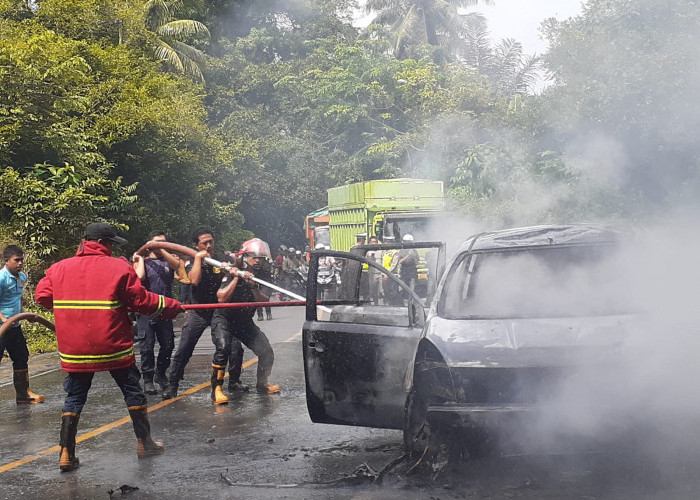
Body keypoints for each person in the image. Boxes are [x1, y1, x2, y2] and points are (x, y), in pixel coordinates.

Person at [35, 223, 182, 472]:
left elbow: (42, 297)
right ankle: (145, 443)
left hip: (76, 350)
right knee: (132, 391)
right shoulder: (118, 267)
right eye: (112, 244)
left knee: (74, 397)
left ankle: (66, 454)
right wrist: (171, 306)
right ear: (105, 244)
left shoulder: (58, 268)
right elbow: (141, 301)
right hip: (112, 346)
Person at [162, 228, 231, 401]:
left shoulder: (221, 259)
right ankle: (173, 385)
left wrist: (231, 267)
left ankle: (219, 388)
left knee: (225, 346)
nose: (209, 246)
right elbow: (194, 280)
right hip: (198, 311)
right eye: (204, 243)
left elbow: (237, 265)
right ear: (196, 245)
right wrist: (199, 258)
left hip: (218, 311)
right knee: (184, 348)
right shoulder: (192, 260)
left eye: (211, 242)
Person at [210, 238, 280, 401]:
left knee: (266, 351)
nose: (257, 261)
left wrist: (252, 285)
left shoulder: (263, 274)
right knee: (223, 348)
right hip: (224, 319)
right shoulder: (233, 270)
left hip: (244, 321)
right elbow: (221, 297)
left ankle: (262, 384)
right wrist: (236, 278)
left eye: (260, 258)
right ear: (244, 256)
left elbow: (264, 301)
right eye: (254, 257)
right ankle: (217, 389)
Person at [132, 230, 180, 395]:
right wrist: (140, 259)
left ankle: (161, 373)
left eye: (163, 242)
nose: (161, 245)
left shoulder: (169, 260)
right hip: (146, 310)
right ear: (149, 244)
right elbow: (139, 278)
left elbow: (177, 267)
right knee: (147, 345)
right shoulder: (142, 261)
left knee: (168, 344)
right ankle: (148, 379)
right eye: (157, 242)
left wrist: (164, 250)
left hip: (164, 309)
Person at [0, 245, 45, 405]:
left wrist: (24, 314)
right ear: (6, 261)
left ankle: (23, 394)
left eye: (21, 260)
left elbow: (16, 300)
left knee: (21, 357)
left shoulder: (22, 277)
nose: (20, 263)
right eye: (16, 260)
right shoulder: (1, 278)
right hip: (2, 327)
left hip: (15, 326)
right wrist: (5, 319)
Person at [366, 237, 384, 306]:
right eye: (372, 242)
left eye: (375, 242)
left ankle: (384, 304)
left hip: (381, 273)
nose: (374, 243)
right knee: (373, 290)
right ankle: (375, 304)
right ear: (369, 243)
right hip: (372, 273)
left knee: (382, 290)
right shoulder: (368, 252)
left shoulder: (381, 251)